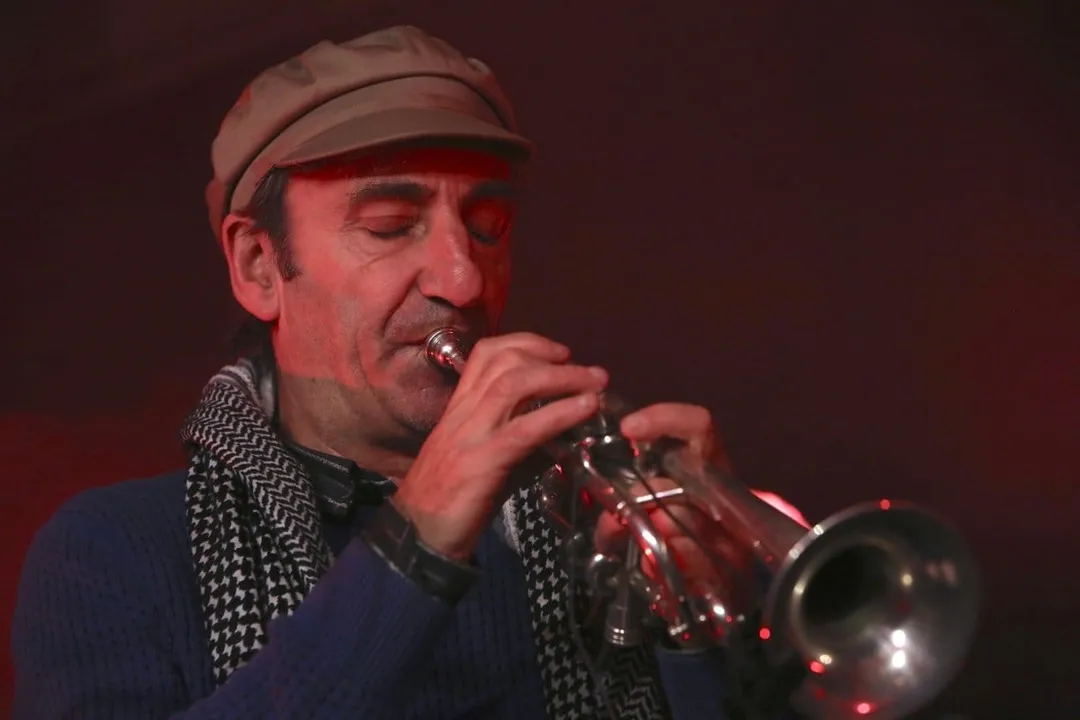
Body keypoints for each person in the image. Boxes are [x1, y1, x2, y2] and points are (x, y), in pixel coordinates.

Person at [11, 25, 809, 720]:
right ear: (257, 265)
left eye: (488, 228)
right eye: (391, 227)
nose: (463, 281)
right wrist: (415, 540)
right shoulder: (111, 552)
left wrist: (704, 634)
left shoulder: (585, 530)